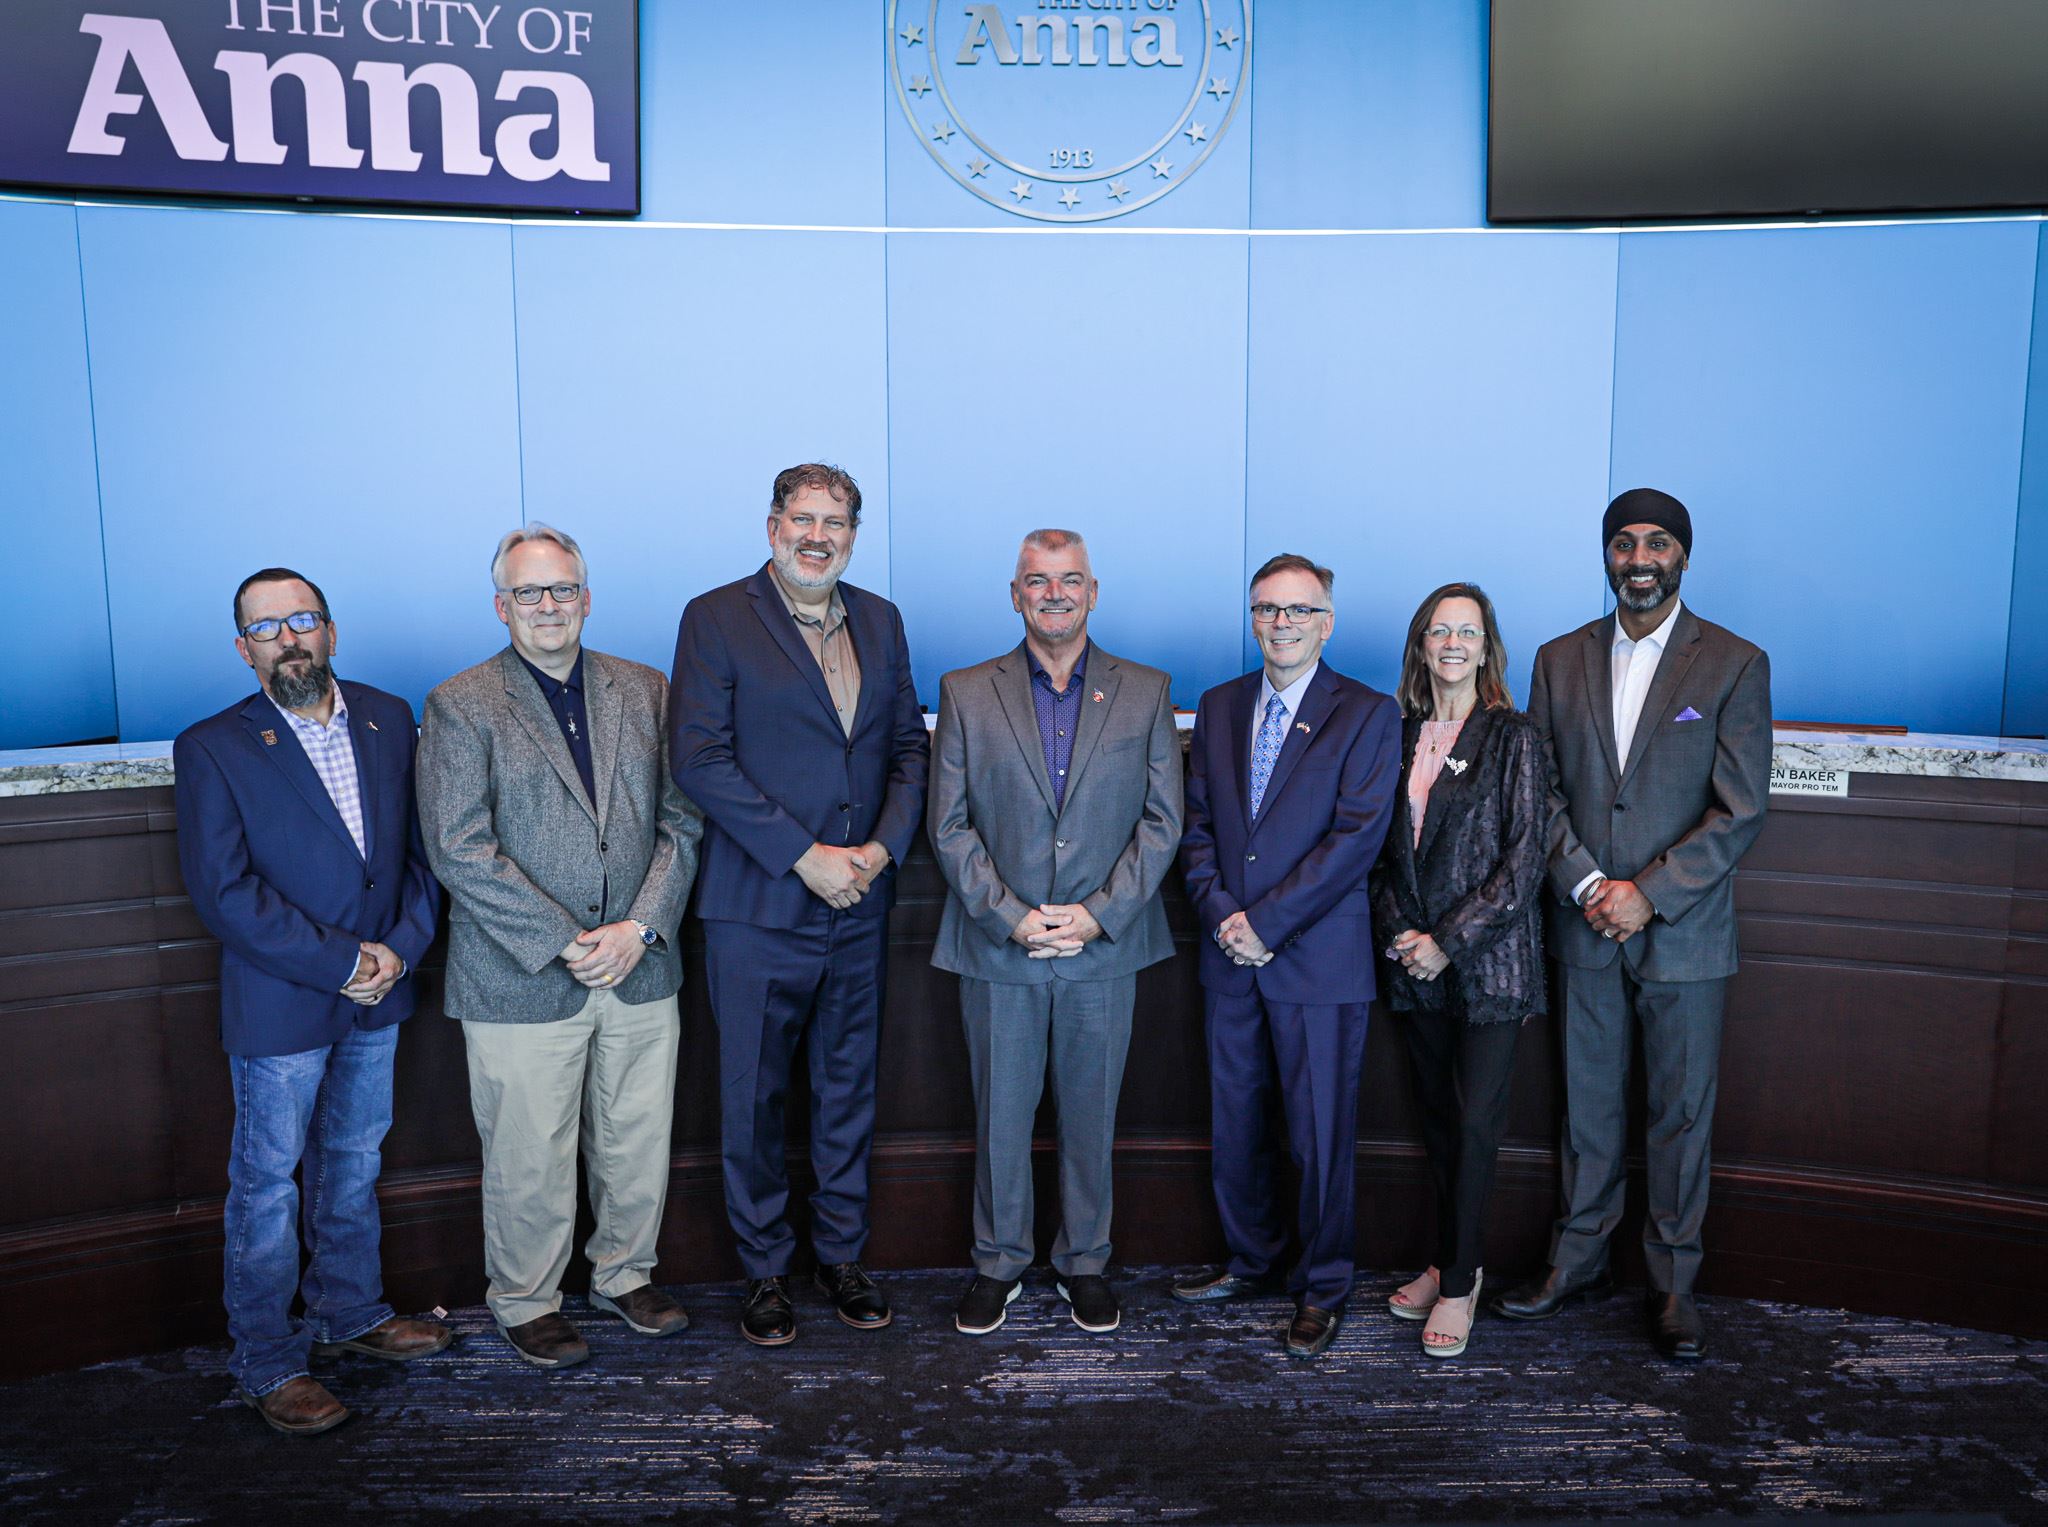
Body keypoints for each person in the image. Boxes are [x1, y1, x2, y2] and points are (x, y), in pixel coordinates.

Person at [1492, 488, 1771, 1362]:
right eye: (1623, 542)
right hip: (1583, 926)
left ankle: (1675, 1284)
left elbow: (1741, 808)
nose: (1639, 557)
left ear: (1683, 555)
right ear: (1606, 555)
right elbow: (1539, 793)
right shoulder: (1556, 657)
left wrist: (1648, 892)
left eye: (1656, 542)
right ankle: (1574, 1264)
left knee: (1681, 1116)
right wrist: (1584, 885)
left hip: (1683, 931)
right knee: (1588, 1109)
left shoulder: (1733, 661)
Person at [417, 525, 703, 1370]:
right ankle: (526, 1298)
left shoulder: (646, 688)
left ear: (587, 595)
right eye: (530, 593)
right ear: (502, 605)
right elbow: (458, 848)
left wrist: (640, 927)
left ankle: (625, 1273)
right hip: (522, 973)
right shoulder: (461, 702)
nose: (549, 606)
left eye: (563, 589)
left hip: (641, 963)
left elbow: (682, 822)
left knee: (637, 1136)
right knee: (527, 1149)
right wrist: (567, 941)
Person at [173, 567, 449, 1435]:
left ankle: (351, 1313)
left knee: (354, 1162)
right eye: (268, 627)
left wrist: (399, 951)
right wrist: (341, 961)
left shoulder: (389, 716)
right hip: (285, 999)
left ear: (330, 629)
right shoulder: (213, 745)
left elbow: (422, 853)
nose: (288, 637)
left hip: (382, 989)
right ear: (244, 648)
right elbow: (223, 893)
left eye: (303, 619)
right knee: (266, 1186)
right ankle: (266, 1358)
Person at [669, 464, 928, 1346]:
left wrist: (882, 849)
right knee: (752, 1098)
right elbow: (699, 759)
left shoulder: (883, 620)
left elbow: (907, 750)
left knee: (848, 1088)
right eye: (802, 518)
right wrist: (803, 855)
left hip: (862, 899)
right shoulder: (716, 617)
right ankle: (765, 1270)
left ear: (854, 533)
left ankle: (842, 1256)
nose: (819, 535)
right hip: (758, 905)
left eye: (837, 522)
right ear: (772, 525)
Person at [927, 529, 1183, 1337]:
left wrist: (1098, 913)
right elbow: (949, 825)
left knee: (1090, 1114)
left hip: (1104, 944)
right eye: (1038, 581)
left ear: (1093, 590)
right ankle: (998, 1262)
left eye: (1069, 580)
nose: (1054, 594)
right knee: (1000, 1117)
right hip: (998, 945)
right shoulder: (967, 691)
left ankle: (1085, 1261)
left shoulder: (1145, 690)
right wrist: (1012, 915)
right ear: (1015, 594)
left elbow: (1162, 823)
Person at [1172, 553, 1400, 1358]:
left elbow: (1355, 840)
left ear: (1326, 622)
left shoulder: (1368, 713)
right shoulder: (1221, 704)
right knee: (1235, 1123)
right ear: (1252, 616)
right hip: (1228, 952)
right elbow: (1194, 828)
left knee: (1317, 1134)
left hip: (1317, 960)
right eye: (1268, 609)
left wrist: (1267, 921)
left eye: (1299, 610)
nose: (1282, 623)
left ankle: (1324, 1284)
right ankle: (1251, 1259)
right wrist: (1225, 914)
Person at [1367, 582, 1548, 1359]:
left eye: (1466, 632)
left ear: (1486, 646)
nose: (1451, 643)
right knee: (1437, 1123)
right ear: (1420, 645)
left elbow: (1524, 861)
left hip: (1487, 970)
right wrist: (1404, 936)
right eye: (1438, 630)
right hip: (1414, 966)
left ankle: (1463, 1280)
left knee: (1476, 1127)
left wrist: (1446, 939)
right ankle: (1446, 1254)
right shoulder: (1395, 733)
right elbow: (1373, 851)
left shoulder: (1514, 737)